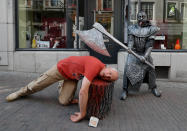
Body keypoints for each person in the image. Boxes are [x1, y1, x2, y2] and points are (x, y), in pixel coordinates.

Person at [6, 56, 118, 122]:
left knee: (64, 102)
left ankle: (62, 84)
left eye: (109, 78)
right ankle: (21, 92)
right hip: (61, 69)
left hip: (72, 77)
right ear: (108, 67)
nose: (107, 76)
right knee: (38, 85)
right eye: (110, 73)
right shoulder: (95, 66)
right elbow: (83, 91)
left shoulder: (101, 72)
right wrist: (82, 113)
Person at [120, 11, 161, 100]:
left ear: (146, 17)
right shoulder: (132, 28)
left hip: (145, 53)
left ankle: (153, 87)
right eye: (139, 16)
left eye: (143, 16)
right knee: (127, 67)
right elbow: (131, 40)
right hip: (134, 52)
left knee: (151, 69)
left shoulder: (151, 29)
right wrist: (129, 48)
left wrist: (145, 56)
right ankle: (125, 89)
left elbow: (150, 45)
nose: (141, 18)